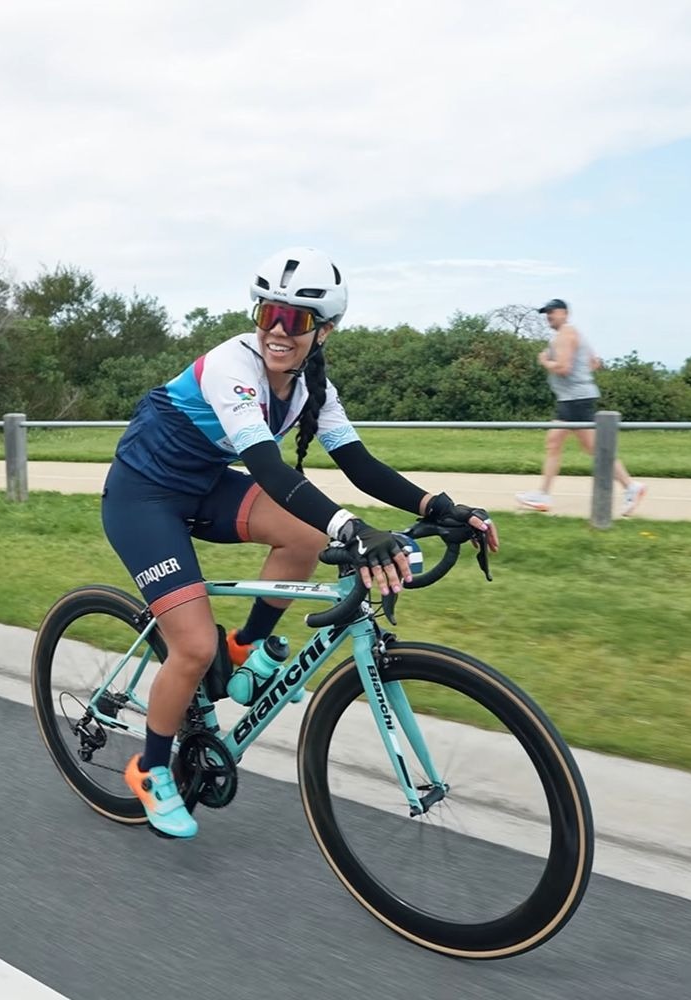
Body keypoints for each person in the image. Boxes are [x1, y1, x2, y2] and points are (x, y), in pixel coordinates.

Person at [102, 246, 501, 838]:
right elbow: (268, 468)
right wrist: (353, 528)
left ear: (325, 330)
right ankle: (152, 768)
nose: (278, 331)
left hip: (203, 486)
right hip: (143, 497)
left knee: (307, 538)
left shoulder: (315, 388)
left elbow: (360, 464)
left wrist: (438, 507)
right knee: (189, 648)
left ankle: (242, 648)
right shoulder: (231, 364)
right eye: (269, 314)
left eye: (297, 320)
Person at [516, 298, 646, 515]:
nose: (549, 316)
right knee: (557, 443)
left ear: (565, 313)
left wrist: (545, 361)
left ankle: (631, 487)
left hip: (575, 400)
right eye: (547, 313)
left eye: (553, 312)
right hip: (572, 399)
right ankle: (543, 495)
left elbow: (564, 368)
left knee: (591, 448)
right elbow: (594, 362)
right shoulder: (573, 334)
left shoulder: (566, 334)